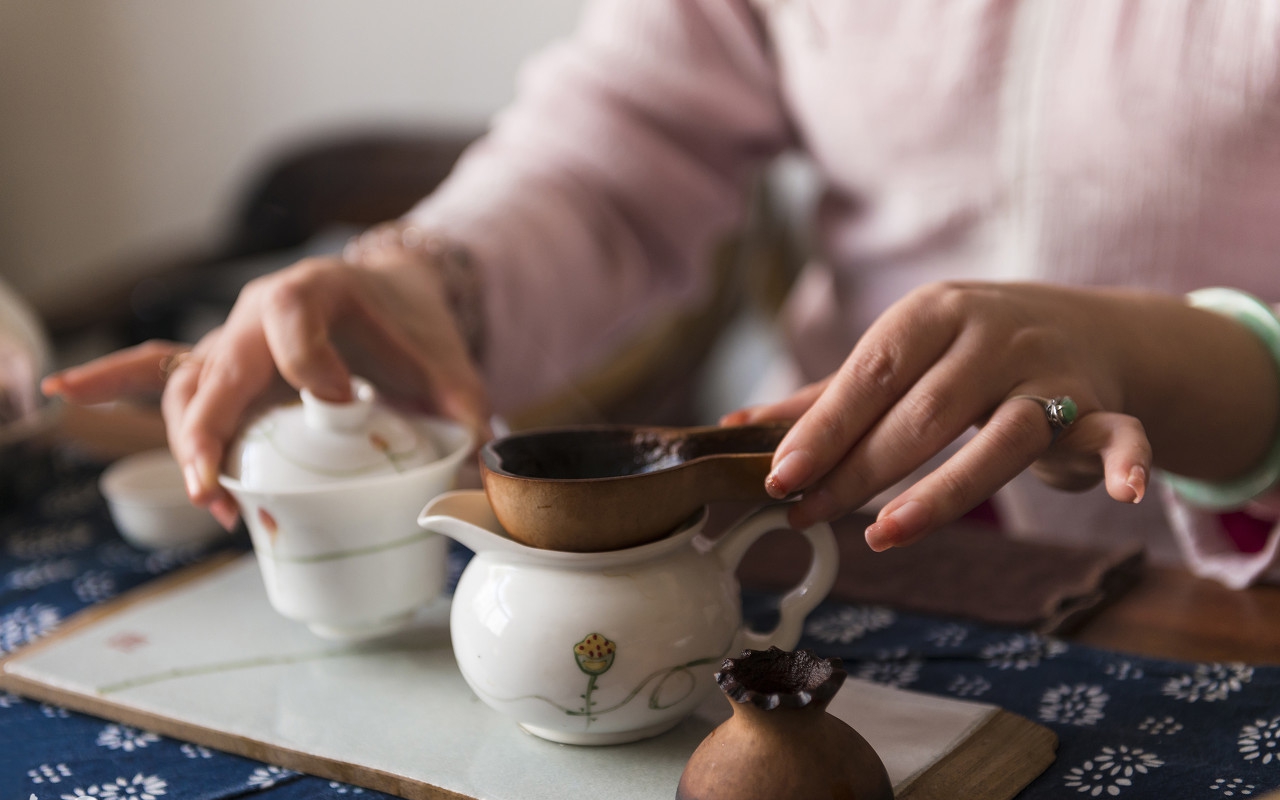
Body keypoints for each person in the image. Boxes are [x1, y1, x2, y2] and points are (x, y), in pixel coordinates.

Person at [42, 0, 1280, 588]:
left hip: (1230, 601)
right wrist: (421, 277)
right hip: (844, 551)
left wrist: (1166, 363)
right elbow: (610, 153)